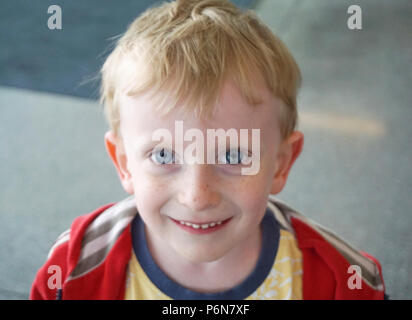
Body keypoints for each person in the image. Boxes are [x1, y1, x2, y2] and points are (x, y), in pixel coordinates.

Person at [30, 0, 386, 300]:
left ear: (280, 163)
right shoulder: (74, 269)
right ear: (123, 163)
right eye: (164, 156)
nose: (197, 196)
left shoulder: (343, 279)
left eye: (232, 156)